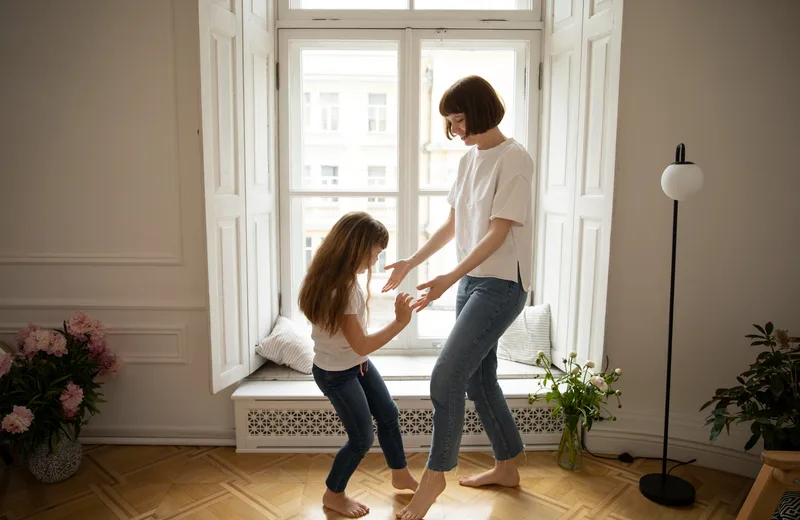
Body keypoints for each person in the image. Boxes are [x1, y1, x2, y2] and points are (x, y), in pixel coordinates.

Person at [382, 75, 534, 520]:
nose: (456, 131)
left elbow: (498, 232)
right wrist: (412, 261)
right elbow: (454, 224)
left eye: (459, 120)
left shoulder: (515, 159)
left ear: (481, 111)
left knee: (445, 376)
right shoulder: (470, 160)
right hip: (472, 282)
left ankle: (435, 476)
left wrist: (447, 277)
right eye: (450, 123)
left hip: (502, 284)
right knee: (478, 378)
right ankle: (507, 465)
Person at [298, 211, 419, 518]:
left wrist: (359, 358)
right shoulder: (345, 289)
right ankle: (333, 494)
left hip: (354, 365)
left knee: (388, 413)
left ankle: (400, 472)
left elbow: (353, 346)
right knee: (361, 438)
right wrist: (400, 322)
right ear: (356, 248)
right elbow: (361, 344)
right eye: (374, 254)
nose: (375, 262)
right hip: (337, 374)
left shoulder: (324, 275)